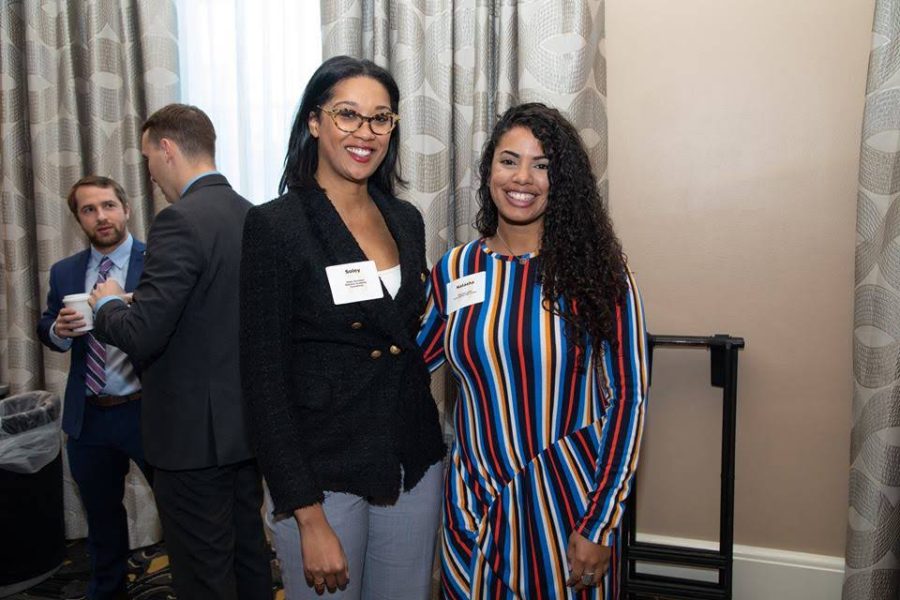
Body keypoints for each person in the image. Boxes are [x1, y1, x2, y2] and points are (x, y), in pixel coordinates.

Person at [418, 103, 649, 599]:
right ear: (487, 171)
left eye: (542, 165)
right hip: (473, 508)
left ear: (561, 181)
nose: (523, 177)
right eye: (509, 160)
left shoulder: (599, 276)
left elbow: (629, 401)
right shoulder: (456, 268)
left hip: (565, 508)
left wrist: (601, 523)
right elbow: (406, 369)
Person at [240, 55, 445, 600]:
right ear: (314, 121)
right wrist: (306, 516)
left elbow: (407, 340)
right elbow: (263, 382)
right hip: (321, 471)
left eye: (381, 118)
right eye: (347, 114)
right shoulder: (275, 226)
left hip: (411, 457)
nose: (365, 132)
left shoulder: (406, 219)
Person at [88, 104, 273, 599]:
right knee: (248, 558)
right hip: (242, 431)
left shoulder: (178, 222)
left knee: (203, 574)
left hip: (191, 440)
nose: (151, 176)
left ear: (167, 149)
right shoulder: (252, 215)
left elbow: (145, 334)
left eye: (149, 161)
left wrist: (107, 306)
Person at [36, 175, 149, 600]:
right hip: (90, 416)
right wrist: (59, 331)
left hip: (147, 410)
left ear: (125, 208)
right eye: (89, 210)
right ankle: (108, 592)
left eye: (107, 205)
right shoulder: (65, 271)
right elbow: (48, 324)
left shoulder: (155, 260)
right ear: (79, 220)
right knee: (102, 521)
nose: (101, 216)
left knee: (179, 512)